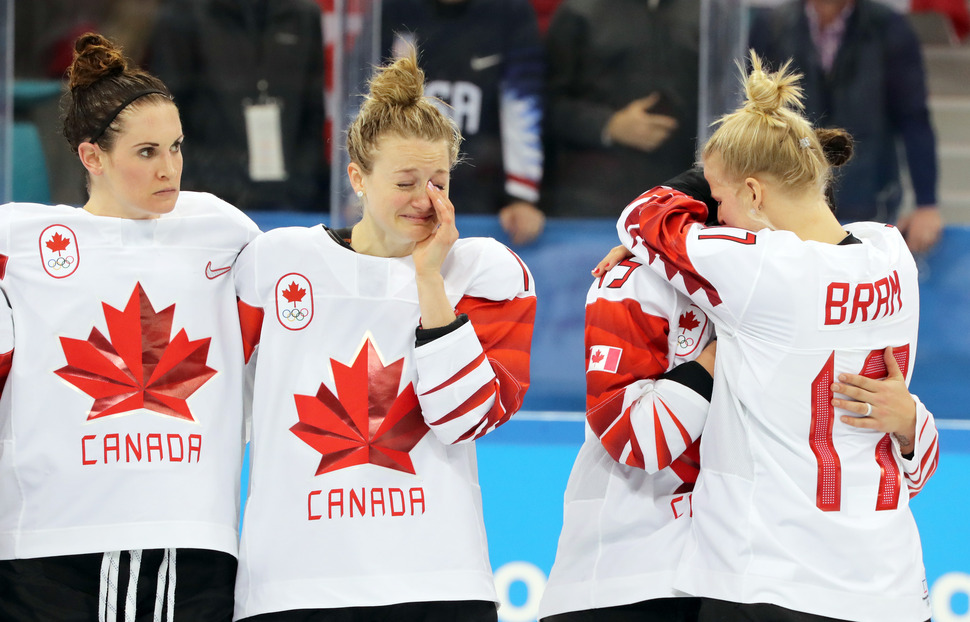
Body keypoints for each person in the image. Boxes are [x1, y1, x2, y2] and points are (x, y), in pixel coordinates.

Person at [609, 53, 937, 621]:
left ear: (755, 194)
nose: (715, 211)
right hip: (891, 585)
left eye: (720, 195)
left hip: (772, 580)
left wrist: (703, 176)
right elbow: (915, 456)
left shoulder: (760, 269)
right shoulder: (892, 253)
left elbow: (640, 218)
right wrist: (911, 421)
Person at [543, 167, 938, 622]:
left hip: (761, 572)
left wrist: (909, 422)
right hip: (633, 573)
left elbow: (903, 470)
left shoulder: (830, 283)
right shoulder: (635, 280)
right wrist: (723, 345)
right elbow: (634, 439)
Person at [231, 49, 536, 621]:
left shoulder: (485, 272)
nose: (426, 200)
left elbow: (464, 417)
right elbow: (225, 406)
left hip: (438, 582)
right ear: (357, 178)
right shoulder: (274, 264)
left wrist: (429, 278)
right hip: (296, 588)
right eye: (404, 181)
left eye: (439, 181)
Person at [0, 33, 260, 620]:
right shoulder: (17, 242)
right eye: (146, 152)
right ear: (92, 157)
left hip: (189, 543)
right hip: (48, 548)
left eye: (176, 147)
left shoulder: (223, 232)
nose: (170, 168)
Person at [749, 0, 944, 253]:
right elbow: (753, 116)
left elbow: (914, 118)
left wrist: (926, 203)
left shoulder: (888, 28)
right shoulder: (772, 26)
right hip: (787, 197)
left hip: (868, 199)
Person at [382, 0, 547, 245]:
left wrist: (521, 198)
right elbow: (368, 107)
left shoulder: (511, 11)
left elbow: (521, 105)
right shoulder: (392, 8)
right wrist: (360, 194)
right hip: (402, 189)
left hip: (485, 194)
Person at [148, 0, 327, 212]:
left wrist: (301, 185)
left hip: (291, 200)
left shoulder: (304, 15)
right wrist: (202, 187)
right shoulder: (182, 16)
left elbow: (313, 113)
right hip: (210, 198)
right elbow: (166, 112)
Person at [541, 0, 700, 217]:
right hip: (592, 200)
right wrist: (608, 125)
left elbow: (735, 97)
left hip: (687, 195)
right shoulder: (579, 10)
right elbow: (544, 105)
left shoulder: (711, 13)